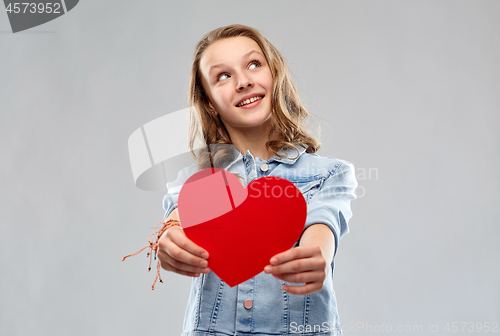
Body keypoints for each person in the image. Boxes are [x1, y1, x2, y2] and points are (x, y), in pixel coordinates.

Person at [158, 24, 357, 336]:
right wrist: (170, 239)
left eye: (253, 64)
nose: (243, 81)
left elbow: (324, 223)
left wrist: (316, 254)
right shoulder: (200, 182)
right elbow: (178, 218)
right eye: (223, 76)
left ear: (274, 75)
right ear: (209, 101)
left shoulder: (330, 174)